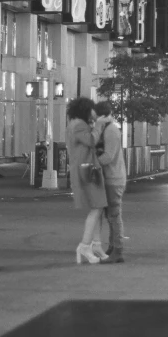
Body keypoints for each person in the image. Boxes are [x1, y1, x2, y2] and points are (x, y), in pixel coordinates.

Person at [65, 97, 108, 265]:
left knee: (97, 206)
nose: (94, 112)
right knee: (97, 208)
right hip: (87, 171)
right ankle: (85, 245)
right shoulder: (79, 125)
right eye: (91, 109)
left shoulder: (74, 124)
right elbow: (91, 140)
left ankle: (96, 245)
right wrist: (98, 125)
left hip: (86, 170)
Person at [94, 100, 127, 264]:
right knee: (110, 215)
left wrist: (93, 163)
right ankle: (113, 247)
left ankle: (118, 250)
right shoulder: (107, 129)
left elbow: (108, 156)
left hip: (114, 178)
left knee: (114, 215)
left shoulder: (111, 130)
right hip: (110, 177)